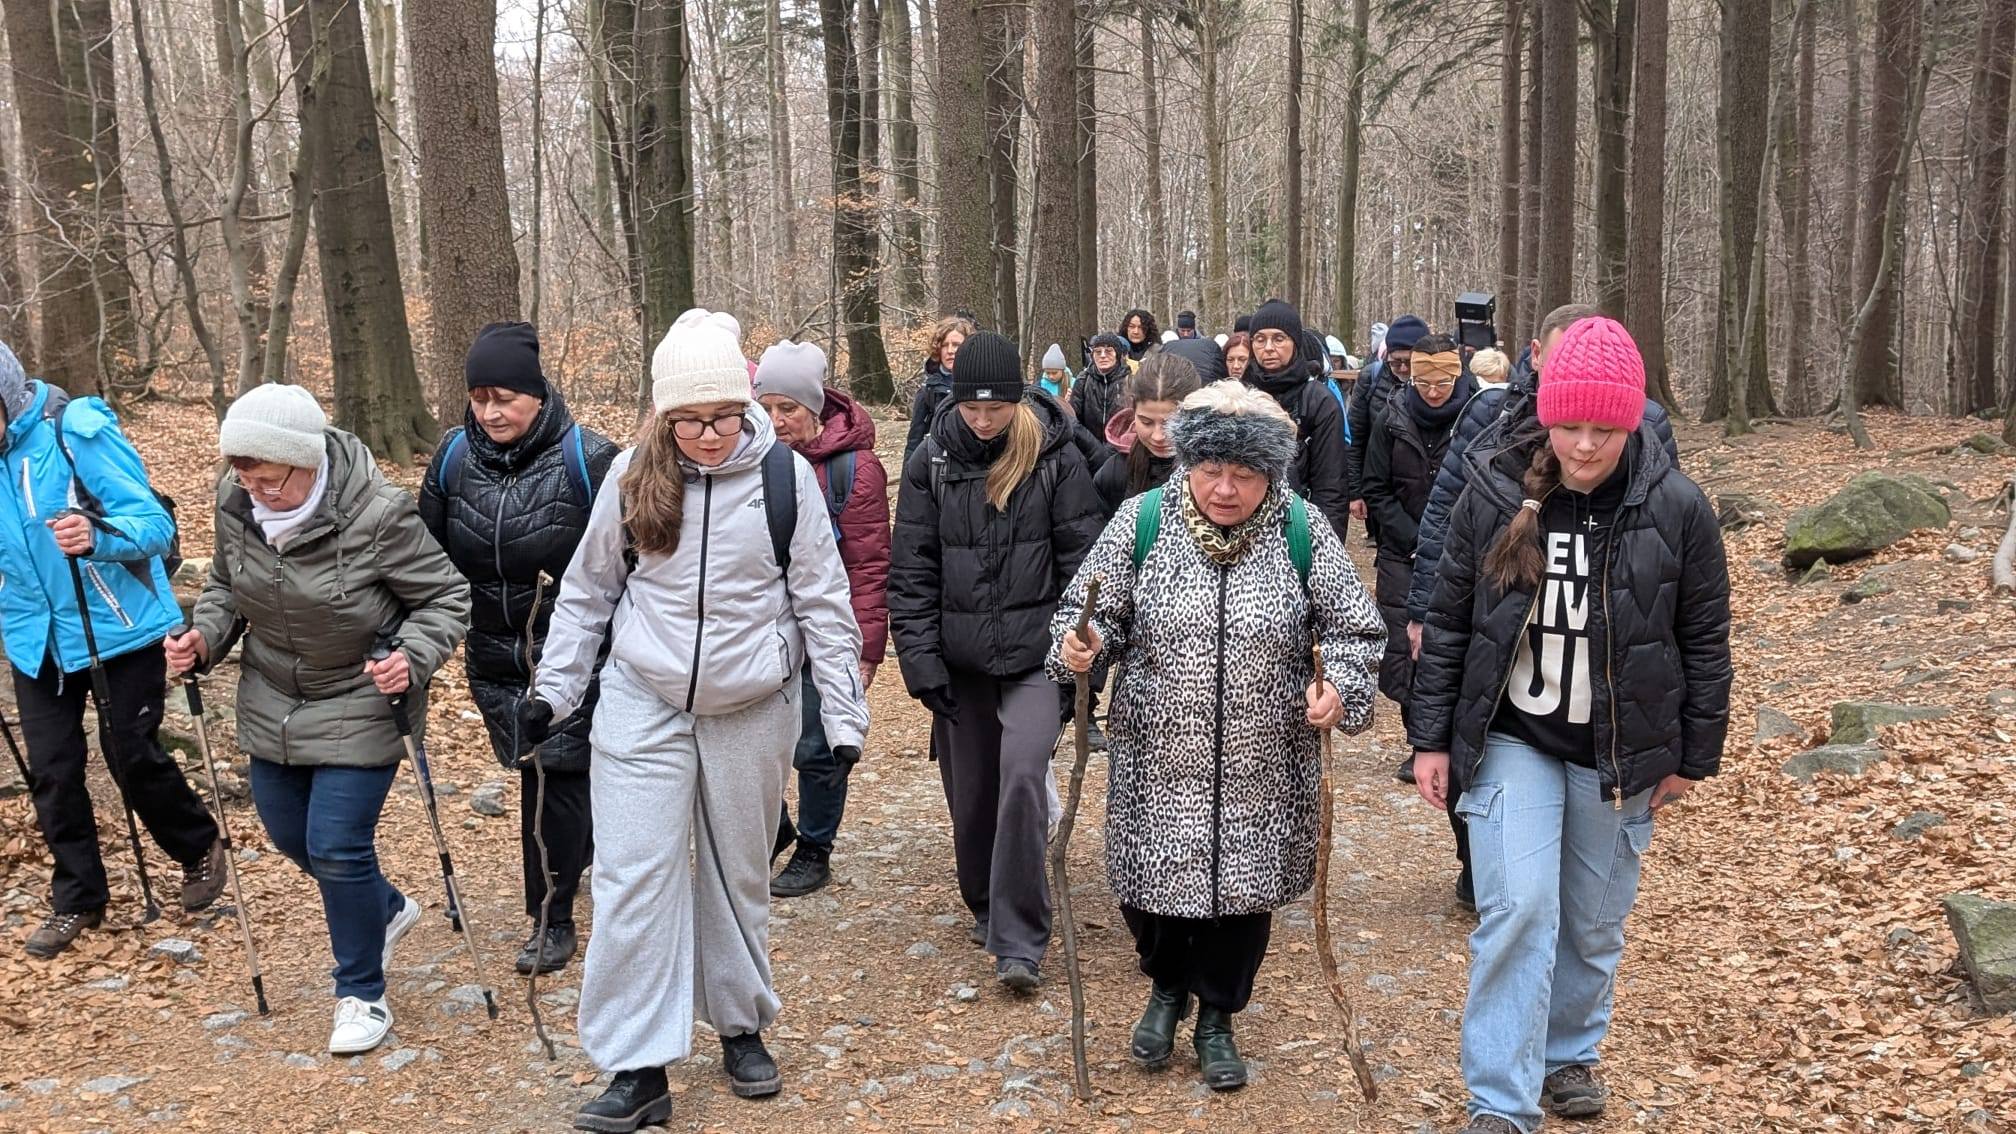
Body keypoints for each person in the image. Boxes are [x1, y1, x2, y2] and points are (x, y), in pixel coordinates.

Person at [519, 309, 868, 1131]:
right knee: (632, 878)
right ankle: (637, 1065)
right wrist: (552, 693)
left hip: (751, 706)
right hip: (643, 702)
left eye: (723, 417)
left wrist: (844, 719)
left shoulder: (785, 480)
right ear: (663, 415)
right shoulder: (631, 476)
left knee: (737, 873)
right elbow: (588, 593)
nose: (708, 436)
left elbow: (823, 601)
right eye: (688, 420)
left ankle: (740, 1024)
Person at [1407, 317, 1730, 1134]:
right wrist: (1430, 737)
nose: (1585, 445)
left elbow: (1704, 637)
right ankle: (1501, 1099)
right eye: (1571, 425)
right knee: (1519, 909)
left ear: (1632, 422)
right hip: (1513, 738)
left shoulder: (1678, 509)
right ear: (1547, 415)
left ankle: (1568, 1053)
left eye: (1605, 429)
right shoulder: (1493, 491)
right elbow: (1449, 620)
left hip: (1618, 751)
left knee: (1590, 921)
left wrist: (1694, 754)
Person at [1051, 380, 1385, 1092]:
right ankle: (1166, 987)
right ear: (1186, 462)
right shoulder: (1142, 521)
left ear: (1272, 474)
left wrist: (1338, 687)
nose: (1226, 490)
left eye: (1245, 474)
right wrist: (1083, 644)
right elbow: (1091, 614)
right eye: (1211, 470)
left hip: (1265, 766)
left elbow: (1356, 632)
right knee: (1150, 893)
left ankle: (1217, 1018)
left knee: (1242, 902)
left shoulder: (1301, 528)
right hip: (1158, 759)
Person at [167, 384, 471, 1055]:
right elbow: (225, 588)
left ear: (307, 463)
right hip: (272, 695)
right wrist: (203, 639)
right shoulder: (236, 502)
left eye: (269, 481)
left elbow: (446, 597)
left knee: (335, 845)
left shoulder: (378, 514)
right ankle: (384, 909)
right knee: (289, 835)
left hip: (362, 692)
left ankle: (361, 993)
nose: (256, 492)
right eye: (244, 478)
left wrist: (412, 656)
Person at [890, 330, 1102, 994]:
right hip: (960, 661)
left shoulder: (1055, 458)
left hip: (1039, 657)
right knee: (974, 794)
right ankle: (984, 900)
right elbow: (912, 571)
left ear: (1018, 399)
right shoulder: (931, 460)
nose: (983, 420)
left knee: (1022, 777)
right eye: (971, 407)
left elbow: (1084, 565)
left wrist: (1080, 660)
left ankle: (1019, 938)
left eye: (996, 408)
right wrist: (922, 664)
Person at [1, 343, 226, 959]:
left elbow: (154, 524)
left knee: (129, 753)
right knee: (52, 769)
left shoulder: (75, 432)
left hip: (117, 626)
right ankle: (79, 897)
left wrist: (96, 533)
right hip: (36, 639)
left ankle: (196, 844)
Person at [419, 322, 619, 975]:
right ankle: (578, 854)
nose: (491, 412)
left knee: (550, 774)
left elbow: (635, 559)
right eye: (479, 398)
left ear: (537, 394)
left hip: (578, 652)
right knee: (547, 773)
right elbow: (422, 558)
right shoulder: (453, 459)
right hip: (493, 656)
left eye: (504, 398)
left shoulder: (590, 460)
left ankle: (551, 920)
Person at [1403, 304, 1680, 655]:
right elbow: (1445, 508)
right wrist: (1423, 609)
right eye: (1562, 358)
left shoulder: (1647, 424)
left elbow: (1665, 531)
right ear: (1536, 354)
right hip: (1502, 611)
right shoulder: (1493, 414)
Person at [752, 340, 890, 898]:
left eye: (788, 408)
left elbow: (870, 564)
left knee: (818, 744)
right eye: (765, 407)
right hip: (762, 630)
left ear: (814, 407)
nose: (775, 420)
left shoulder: (853, 469)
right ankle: (777, 826)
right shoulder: (750, 460)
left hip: (827, 628)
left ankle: (815, 847)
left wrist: (866, 649)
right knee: (756, 742)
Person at [1359, 333, 1478, 905]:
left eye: (1443, 381)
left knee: (1446, 653)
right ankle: (1419, 734)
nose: (1433, 391)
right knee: (1403, 648)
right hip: (1402, 551)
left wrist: (1450, 541)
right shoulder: (1391, 416)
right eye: (1424, 381)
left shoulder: (1478, 417)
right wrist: (1409, 537)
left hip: (1463, 555)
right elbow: (1376, 488)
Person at [1238, 299, 1352, 541]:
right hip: (1242, 527)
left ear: (1295, 343)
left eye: (1279, 339)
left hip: (1298, 527)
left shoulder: (1319, 401)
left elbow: (1331, 487)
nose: (1268, 348)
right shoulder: (1237, 397)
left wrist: (1326, 546)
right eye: (1260, 339)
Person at [1093, 351, 1202, 518]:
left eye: (1170, 423)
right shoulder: (1114, 473)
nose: (1158, 436)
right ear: (1133, 412)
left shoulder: (1216, 470)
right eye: (1146, 422)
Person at [1345, 313, 1427, 524]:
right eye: (1396, 362)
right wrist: (1355, 492)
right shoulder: (1370, 378)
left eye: (1409, 361)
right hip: (1381, 490)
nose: (1403, 369)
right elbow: (1355, 436)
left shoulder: (1436, 383)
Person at [904, 315, 975, 463]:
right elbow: (914, 441)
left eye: (956, 345)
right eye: (944, 345)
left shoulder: (982, 384)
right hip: (940, 465)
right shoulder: (928, 390)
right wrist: (908, 475)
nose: (950, 351)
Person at [1069, 332, 1130, 438]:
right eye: (1098, 352)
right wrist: (1091, 444)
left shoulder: (1130, 381)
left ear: (1118, 354)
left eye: (1108, 351)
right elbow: (1073, 419)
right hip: (1088, 445)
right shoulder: (1083, 381)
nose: (1102, 355)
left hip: (1120, 444)